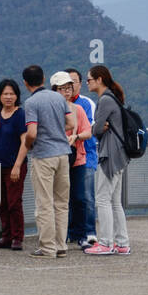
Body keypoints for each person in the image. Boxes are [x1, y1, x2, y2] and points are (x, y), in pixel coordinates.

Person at [18, 65, 75, 258]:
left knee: (44, 202)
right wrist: (57, 131)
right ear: (43, 79)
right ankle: (61, 246)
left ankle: (47, 247)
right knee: (61, 203)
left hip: (43, 155)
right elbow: (71, 124)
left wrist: (29, 143)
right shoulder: (59, 98)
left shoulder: (31, 103)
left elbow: (32, 132)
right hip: (63, 154)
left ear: (25, 83)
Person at [85, 65, 129, 255]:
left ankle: (105, 242)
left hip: (109, 155)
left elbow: (95, 130)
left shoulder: (105, 100)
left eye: (89, 80)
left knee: (102, 198)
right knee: (114, 201)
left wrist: (100, 127)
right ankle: (121, 243)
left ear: (99, 79)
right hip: (120, 155)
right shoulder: (114, 98)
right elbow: (100, 127)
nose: (87, 83)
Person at [52, 72, 92, 248]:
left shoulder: (78, 109)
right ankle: (62, 234)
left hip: (77, 159)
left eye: (69, 88)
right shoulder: (52, 110)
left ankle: (80, 234)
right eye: (62, 89)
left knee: (79, 198)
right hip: (56, 158)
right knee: (60, 198)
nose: (67, 92)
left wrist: (76, 137)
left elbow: (88, 132)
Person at [0, 79, 28, 250]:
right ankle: (6, 236)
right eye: (5, 94)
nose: (8, 97)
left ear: (17, 96)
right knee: (1, 202)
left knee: (14, 202)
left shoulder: (20, 115)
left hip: (14, 165)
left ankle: (17, 237)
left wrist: (17, 165)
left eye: (12, 94)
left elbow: (25, 141)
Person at [66, 68, 98, 247]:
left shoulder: (86, 103)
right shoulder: (59, 104)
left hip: (86, 156)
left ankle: (89, 232)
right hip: (65, 157)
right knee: (69, 197)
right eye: (66, 83)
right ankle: (73, 232)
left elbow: (90, 128)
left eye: (74, 82)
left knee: (85, 196)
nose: (69, 87)